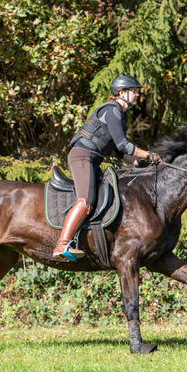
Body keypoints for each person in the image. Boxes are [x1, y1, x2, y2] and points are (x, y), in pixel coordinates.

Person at [52, 73, 163, 261]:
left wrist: (141, 163)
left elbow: (120, 153)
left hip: (92, 158)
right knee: (86, 201)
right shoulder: (113, 110)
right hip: (83, 156)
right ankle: (62, 244)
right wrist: (148, 154)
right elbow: (124, 146)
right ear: (122, 92)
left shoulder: (119, 114)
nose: (137, 95)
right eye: (134, 91)